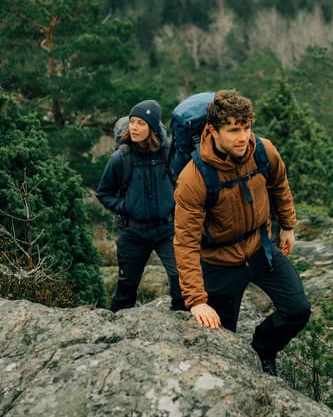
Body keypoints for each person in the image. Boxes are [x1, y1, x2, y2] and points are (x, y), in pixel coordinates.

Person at [173, 90, 311, 376]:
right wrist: (196, 300)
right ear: (212, 131)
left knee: (297, 310)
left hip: (260, 247)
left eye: (246, 127)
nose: (243, 137)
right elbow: (185, 242)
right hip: (220, 262)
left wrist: (287, 225)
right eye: (233, 130)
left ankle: (263, 349)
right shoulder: (194, 177)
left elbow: (278, 183)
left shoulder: (263, 150)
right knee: (223, 343)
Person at [96, 99, 185, 312]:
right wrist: (126, 206)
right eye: (132, 122)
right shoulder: (121, 157)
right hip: (133, 232)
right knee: (127, 286)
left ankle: (183, 322)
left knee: (180, 279)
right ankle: (115, 328)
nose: (134, 128)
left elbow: (185, 185)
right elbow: (103, 193)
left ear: (152, 127)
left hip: (167, 229)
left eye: (141, 123)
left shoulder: (169, 153)